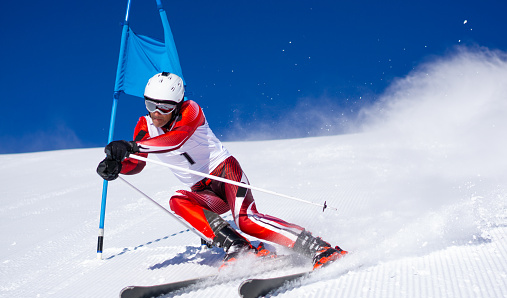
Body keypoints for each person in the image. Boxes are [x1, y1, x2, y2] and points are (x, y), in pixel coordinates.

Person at [97, 72, 347, 269]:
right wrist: (118, 165)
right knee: (178, 201)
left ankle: (320, 248)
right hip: (205, 192)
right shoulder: (145, 125)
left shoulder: (190, 111)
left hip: (225, 174)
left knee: (247, 220)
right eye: (151, 104)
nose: (156, 113)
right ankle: (238, 247)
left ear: (177, 104)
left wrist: (130, 146)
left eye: (164, 107)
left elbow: (176, 140)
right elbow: (138, 162)